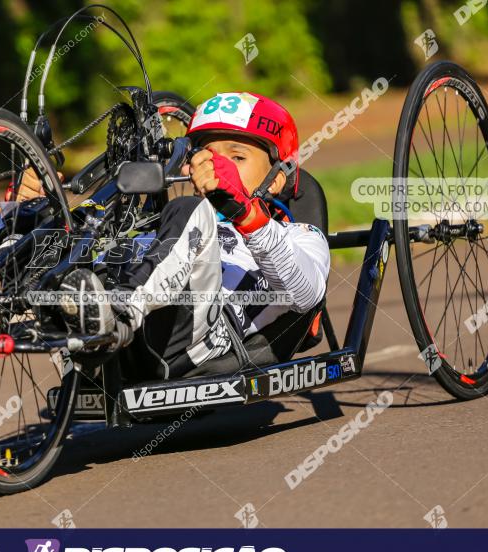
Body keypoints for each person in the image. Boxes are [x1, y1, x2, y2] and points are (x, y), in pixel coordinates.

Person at [24, 92, 331, 379]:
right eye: (206, 155)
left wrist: (244, 213)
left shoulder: (297, 234)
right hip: (111, 342)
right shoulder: (170, 223)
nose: (217, 165)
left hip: (194, 339)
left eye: (237, 157)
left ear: (277, 180)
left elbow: (305, 297)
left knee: (189, 210)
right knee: (61, 226)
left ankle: (118, 313)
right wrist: (31, 215)